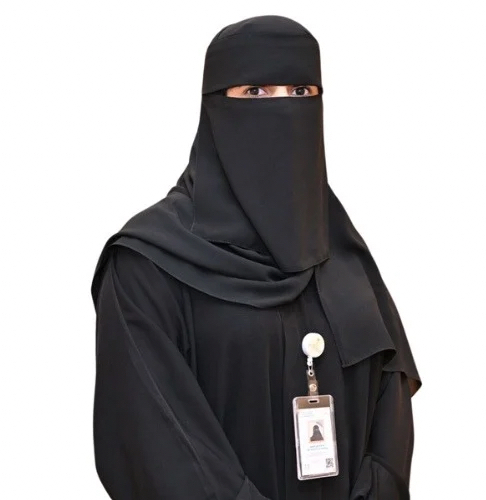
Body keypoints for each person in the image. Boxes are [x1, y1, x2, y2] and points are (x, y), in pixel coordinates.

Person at [90, 15, 421, 500]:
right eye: (257, 92)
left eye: (301, 92)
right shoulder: (147, 266)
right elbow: (156, 445)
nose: (285, 108)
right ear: (214, 107)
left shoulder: (341, 252)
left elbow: (390, 397)